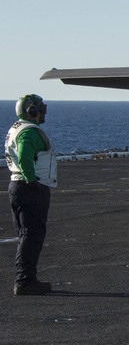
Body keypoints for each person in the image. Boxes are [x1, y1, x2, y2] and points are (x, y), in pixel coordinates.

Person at [5, 95, 57, 296]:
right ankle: (25, 281)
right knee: (32, 235)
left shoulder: (15, 128)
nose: (43, 112)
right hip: (29, 188)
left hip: (17, 186)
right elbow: (25, 152)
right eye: (41, 108)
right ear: (32, 111)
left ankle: (26, 278)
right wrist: (31, 179)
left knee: (26, 235)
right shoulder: (29, 132)